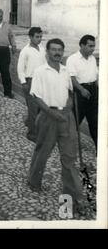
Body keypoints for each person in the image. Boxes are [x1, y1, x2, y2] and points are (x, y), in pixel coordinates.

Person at [28, 38, 87, 216]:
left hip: (66, 117)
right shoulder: (40, 71)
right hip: (48, 116)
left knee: (68, 159)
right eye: (53, 50)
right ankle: (34, 180)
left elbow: (70, 93)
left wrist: (68, 108)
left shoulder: (65, 70)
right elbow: (35, 96)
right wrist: (52, 113)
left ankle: (71, 200)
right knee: (42, 152)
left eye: (60, 50)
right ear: (47, 52)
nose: (57, 53)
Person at [66, 35, 99, 150]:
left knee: (95, 121)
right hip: (79, 92)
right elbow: (72, 78)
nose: (92, 48)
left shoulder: (93, 59)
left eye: (93, 46)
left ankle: (99, 149)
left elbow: (95, 76)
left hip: (93, 91)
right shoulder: (72, 59)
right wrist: (82, 90)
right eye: (90, 46)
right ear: (82, 45)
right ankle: (67, 144)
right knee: (75, 120)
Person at [17, 27, 46, 142]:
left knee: (40, 107)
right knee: (33, 108)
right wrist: (24, 82)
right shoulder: (25, 51)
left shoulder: (42, 48)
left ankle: (29, 122)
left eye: (40, 37)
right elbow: (20, 68)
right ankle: (32, 133)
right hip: (30, 81)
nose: (39, 39)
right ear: (30, 37)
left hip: (42, 80)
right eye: (37, 37)